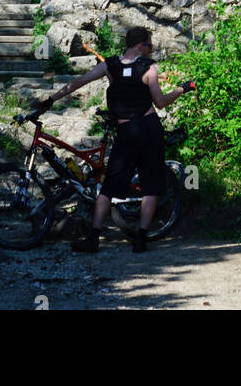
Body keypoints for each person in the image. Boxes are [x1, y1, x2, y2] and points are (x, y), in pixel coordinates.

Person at [36, 26, 194, 254]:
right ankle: (140, 240)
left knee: (108, 188)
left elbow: (80, 81)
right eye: (150, 45)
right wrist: (182, 88)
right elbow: (160, 102)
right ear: (141, 45)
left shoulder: (109, 65)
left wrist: (51, 100)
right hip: (149, 129)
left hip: (126, 132)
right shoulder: (148, 68)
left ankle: (93, 238)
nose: (151, 50)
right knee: (150, 187)